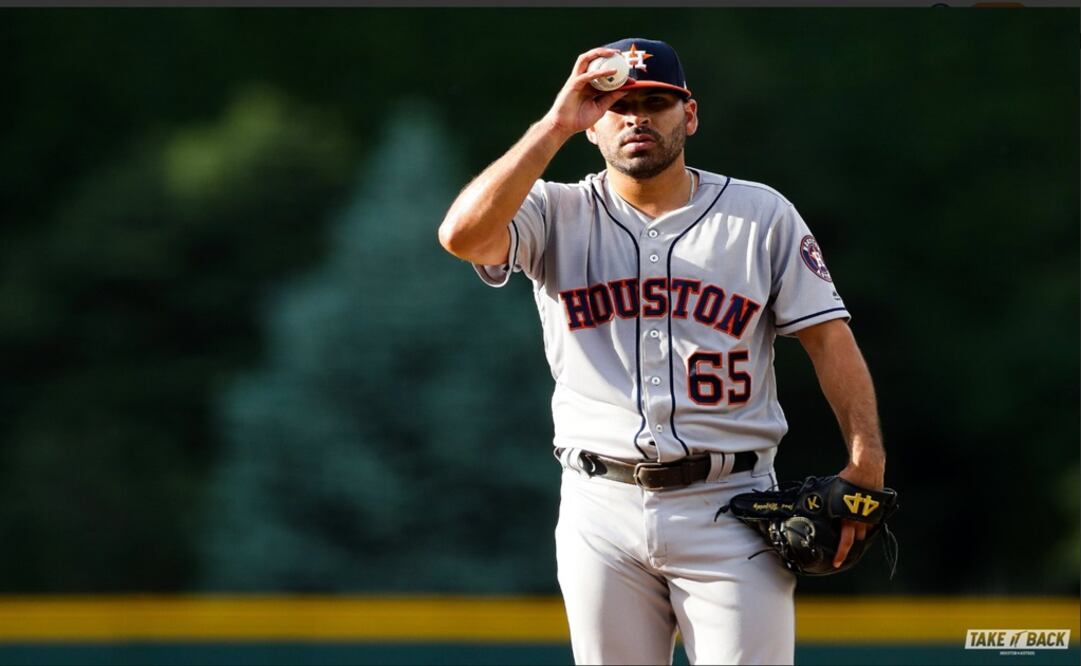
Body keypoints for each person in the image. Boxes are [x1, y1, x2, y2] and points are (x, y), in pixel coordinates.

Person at [437, 37, 887, 665]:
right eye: (616, 104)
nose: (636, 118)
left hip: (733, 506)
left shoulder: (760, 216)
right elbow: (462, 237)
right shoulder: (554, 211)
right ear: (594, 122)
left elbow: (828, 337)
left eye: (655, 102)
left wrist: (866, 459)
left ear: (690, 115)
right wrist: (555, 124)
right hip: (600, 505)